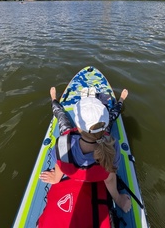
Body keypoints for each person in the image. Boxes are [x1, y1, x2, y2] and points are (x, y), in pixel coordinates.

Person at [38, 87, 131, 228]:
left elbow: (61, 165)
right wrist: (118, 199)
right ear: (102, 125)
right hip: (98, 135)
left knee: (61, 117)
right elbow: (110, 178)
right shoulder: (111, 147)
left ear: (78, 128)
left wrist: (56, 178)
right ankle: (121, 100)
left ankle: (53, 99)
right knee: (113, 116)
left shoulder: (63, 143)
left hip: (80, 137)